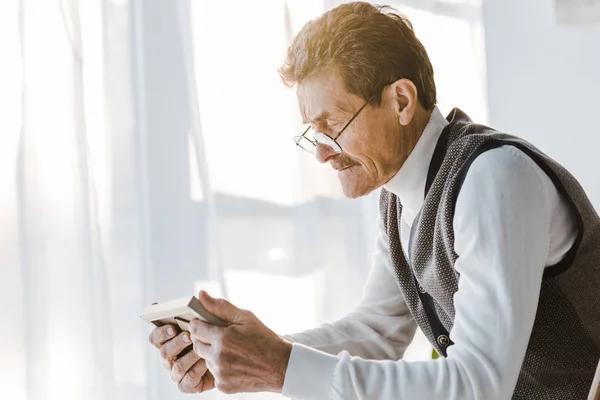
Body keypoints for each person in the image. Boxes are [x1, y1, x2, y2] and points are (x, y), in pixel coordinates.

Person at [148, 2, 600, 399]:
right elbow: (376, 331)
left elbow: (478, 386)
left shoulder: (492, 178)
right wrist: (251, 355)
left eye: (332, 124)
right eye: (313, 133)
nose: (323, 153)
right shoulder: (398, 197)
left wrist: (279, 365)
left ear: (401, 101)